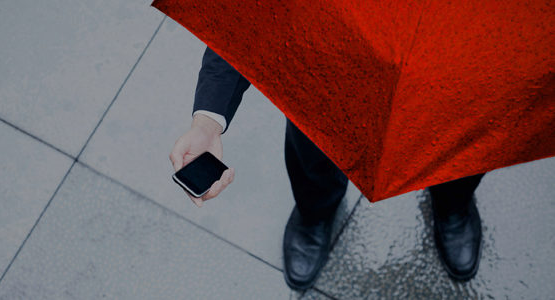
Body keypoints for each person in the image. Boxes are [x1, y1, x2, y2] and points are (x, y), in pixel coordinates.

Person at [169, 46, 485, 289]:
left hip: (456, 60)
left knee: (465, 132)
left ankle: (452, 203)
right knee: (315, 144)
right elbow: (241, 11)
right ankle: (316, 210)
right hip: (332, 62)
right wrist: (208, 121)